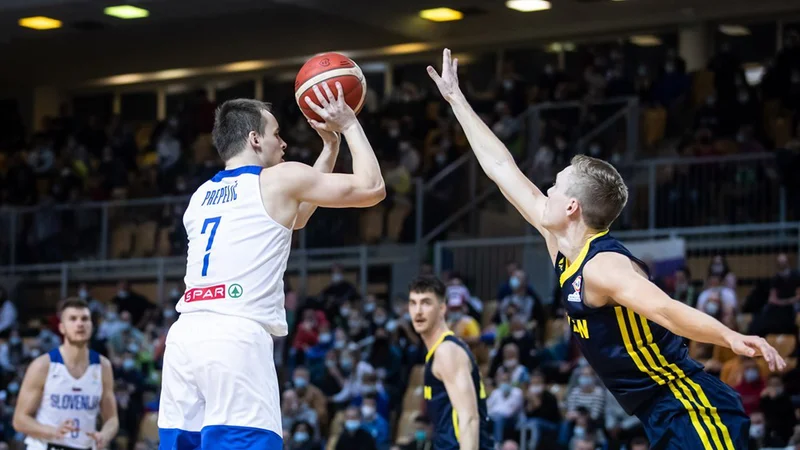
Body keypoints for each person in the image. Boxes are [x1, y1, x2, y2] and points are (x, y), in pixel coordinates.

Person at [428, 48, 786, 450]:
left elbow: (666, 310)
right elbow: (501, 169)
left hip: (691, 408)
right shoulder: (562, 245)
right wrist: (457, 100)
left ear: (571, 207)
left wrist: (729, 337)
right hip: (659, 413)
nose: (545, 189)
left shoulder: (604, 267)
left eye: (556, 185)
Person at [158, 85, 385, 449]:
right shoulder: (278, 179)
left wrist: (329, 150)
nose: (284, 144)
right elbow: (372, 187)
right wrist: (350, 124)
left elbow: (293, 219)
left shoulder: (200, 196)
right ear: (254, 139)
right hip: (235, 335)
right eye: (276, 134)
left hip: (185, 336)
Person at [13, 298, 119, 450]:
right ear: (62, 328)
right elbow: (19, 420)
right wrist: (52, 431)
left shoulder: (103, 366)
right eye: (73, 319)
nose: (80, 324)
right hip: (46, 446)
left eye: (85, 319)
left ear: (92, 325)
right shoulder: (43, 366)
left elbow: (112, 419)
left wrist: (104, 435)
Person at [408, 275, 494, 450]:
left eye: (426, 303)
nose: (418, 311)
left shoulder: (447, 352)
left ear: (442, 309)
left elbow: (469, 418)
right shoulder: (437, 352)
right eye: (413, 303)